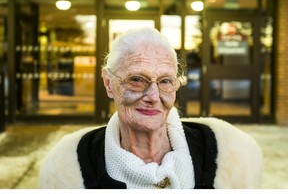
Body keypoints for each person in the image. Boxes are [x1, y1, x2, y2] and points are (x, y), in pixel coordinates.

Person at [39, 27, 262, 189]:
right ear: (108, 83)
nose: (153, 97)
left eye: (165, 81)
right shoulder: (69, 168)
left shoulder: (231, 156)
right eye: (137, 79)